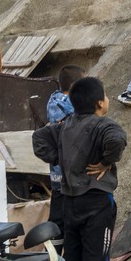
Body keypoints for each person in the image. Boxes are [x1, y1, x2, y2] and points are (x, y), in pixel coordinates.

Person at [32, 76, 127, 261]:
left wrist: (59, 159)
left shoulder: (64, 125)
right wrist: (106, 162)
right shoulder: (103, 125)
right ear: (100, 102)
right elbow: (118, 140)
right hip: (97, 204)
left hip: (70, 203)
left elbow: (39, 138)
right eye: (106, 96)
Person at [44, 64, 86, 247]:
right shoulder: (68, 107)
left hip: (58, 174)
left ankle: (53, 258)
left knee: (58, 218)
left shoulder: (53, 102)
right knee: (65, 220)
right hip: (68, 175)